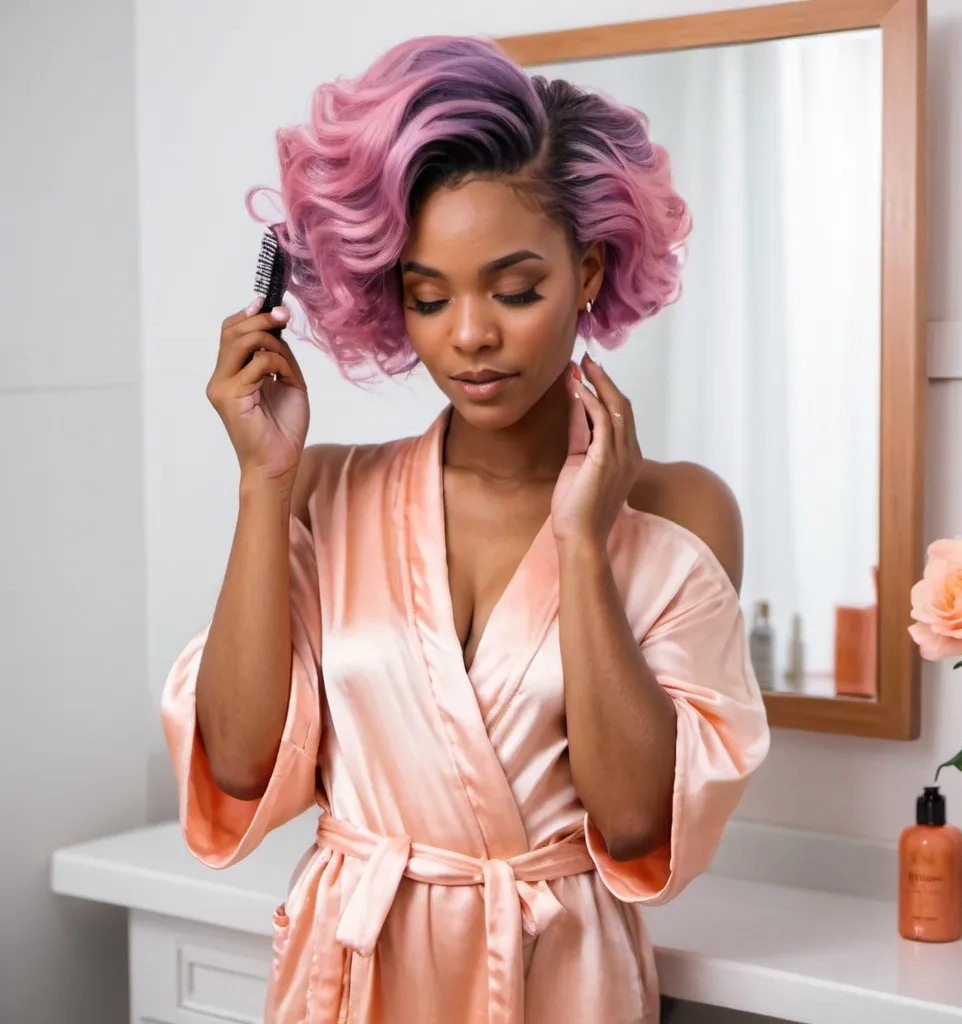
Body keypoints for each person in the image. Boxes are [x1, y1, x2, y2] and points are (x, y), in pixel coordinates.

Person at [161, 34, 770, 1024]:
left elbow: (634, 824)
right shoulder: (323, 490)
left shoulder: (677, 512)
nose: (469, 334)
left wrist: (582, 540)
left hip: (559, 979)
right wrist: (260, 483)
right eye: (428, 295)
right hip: (351, 974)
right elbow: (235, 765)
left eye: (515, 288)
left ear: (587, 272)